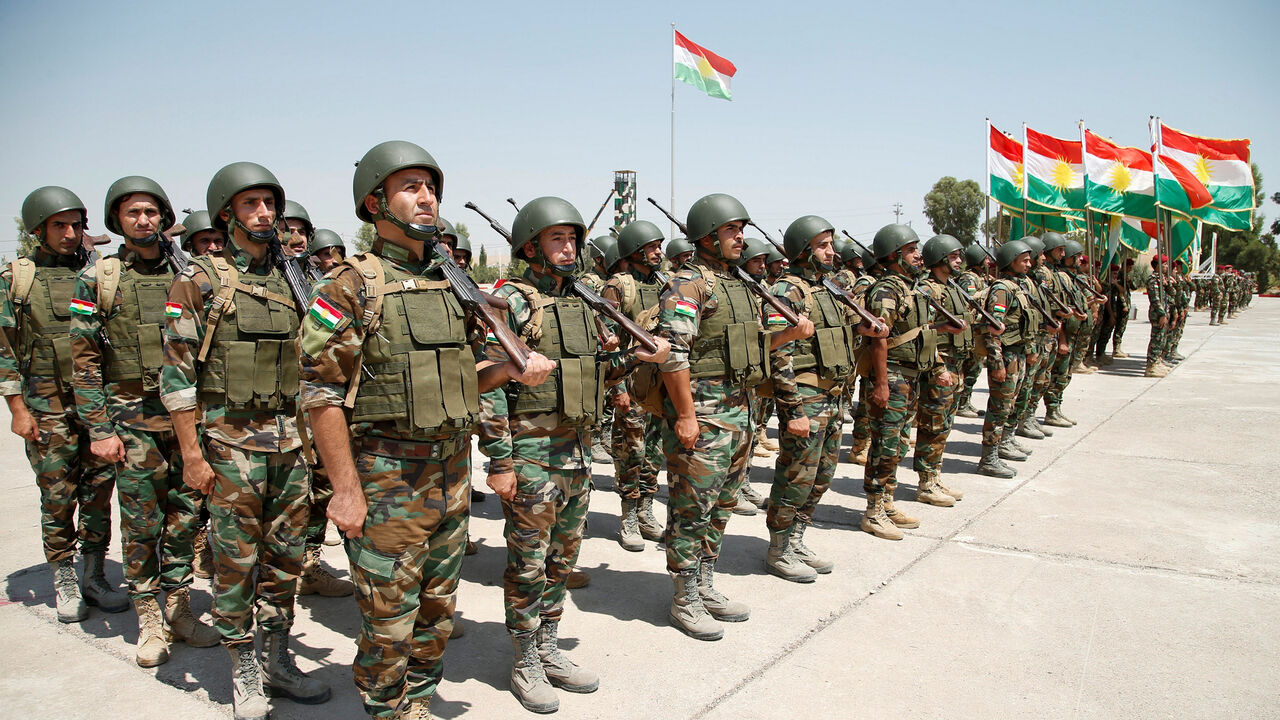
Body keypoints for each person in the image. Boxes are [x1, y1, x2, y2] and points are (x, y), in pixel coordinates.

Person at [302, 141, 553, 719]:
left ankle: (417, 702)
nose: (427, 197)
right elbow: (320, 395)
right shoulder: (348, 286)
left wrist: (511, 369)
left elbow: (469, 380)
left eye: (431, 187)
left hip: (450, 472)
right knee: (390, 619)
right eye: (411, 186)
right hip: (386, 477)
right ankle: (387, 709)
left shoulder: (450, 282)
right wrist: (344, 488)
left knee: (437, 609)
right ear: (374, 202)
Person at [479, 196, 669, 712]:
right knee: (528, 562)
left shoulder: (585, 301)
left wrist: (636, 356)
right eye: (556, 239)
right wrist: (499, 460)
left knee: (563, 559)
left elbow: (601, 370)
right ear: (530, 246)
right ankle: (523, 659)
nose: (568, 249)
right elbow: (488, 386)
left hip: (579, 453)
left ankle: (548, 646)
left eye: (572, 239)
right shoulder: (511, 302)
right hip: (532, 453)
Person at [162, 162, 329, 719]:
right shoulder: (198, 280)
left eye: (270, 204)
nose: (265, 213)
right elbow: (177, 377)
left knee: (285, 561)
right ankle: (243, 667)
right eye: (252, 204)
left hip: (292, 445)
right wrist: (191, 453)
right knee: (235, 562)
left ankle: (277, 657)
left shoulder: (295, 279)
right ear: (226, 213)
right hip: (230, 446)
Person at [71, 176, 220, 666]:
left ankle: (178, 608)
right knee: (141, 523)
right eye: (133, 213)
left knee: (186, 517)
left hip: (188, 421)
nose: (144, 221)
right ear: (117, 220)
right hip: (131, 421)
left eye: (152, 212)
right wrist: (99, 428)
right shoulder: (99, 278)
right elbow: (85, 360)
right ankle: (148, 618)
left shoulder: (192, 273)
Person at [653, 193, 811, 639]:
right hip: (703, 412)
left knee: (722, 506)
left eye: (741, 229)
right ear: (706, 236)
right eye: (730, 230)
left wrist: (788, 335)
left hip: (739, 411)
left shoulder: (740, 285)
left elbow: (753, 348)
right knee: (692, 507)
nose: (740, 237)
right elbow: (673, 356)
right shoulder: (688, 286)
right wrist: (685, 416)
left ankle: (704, 583)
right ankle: (684, 597)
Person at [0, 186, 127, 624]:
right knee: (57, 495)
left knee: (98, 493)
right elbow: (4, 351)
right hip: (46, 408)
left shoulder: (99, 275)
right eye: (60, 225)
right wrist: (18, 409)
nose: (71, 233)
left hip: (96, 407)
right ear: (39, 229)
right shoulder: (18, 280)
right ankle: (63, 574)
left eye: (76, 225)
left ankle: (93, 572)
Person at [765, 215, 880, 581]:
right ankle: (779, 547)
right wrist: (792, 409)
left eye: (831, 244)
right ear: (803, 250)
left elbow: (841, 329)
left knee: (823, 474)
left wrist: (861, 327)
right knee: (796, 475)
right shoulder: (788, 291)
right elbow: (777, 352)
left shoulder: (827, 288)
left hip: (833, 396)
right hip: (807, 397)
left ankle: (797, 537)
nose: (832, 252)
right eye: (823, 245)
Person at [860, 224, 951, 540]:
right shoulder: (886, 290)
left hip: (912, 377)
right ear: (895, 255)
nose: (918, 255)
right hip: (893, 376)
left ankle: (887, 501)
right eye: (911, 250)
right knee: (885, 444)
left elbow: (924, 332)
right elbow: (879, 340)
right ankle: (873, 511)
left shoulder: (913, 288)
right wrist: (882, 383)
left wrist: (936, 366)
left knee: (897, 443)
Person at [601, 220, 669, 549]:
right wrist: (617, 389)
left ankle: (646, 509)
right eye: (652, 246)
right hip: (629, 381)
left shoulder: (666, 283)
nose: (659, 251)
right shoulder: (618, 285)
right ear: (635, 250)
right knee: (632, 452)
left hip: (659, 383)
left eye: (660, 245)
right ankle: (628, 514)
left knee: (654, 452)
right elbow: (606, 341)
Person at [912, 234, 974, 507]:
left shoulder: (953, 287)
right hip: (940, 367)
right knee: (932, 425)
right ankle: (925, 483)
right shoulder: (928, 289)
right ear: (939, 258)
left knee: (945, 425)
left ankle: (935, 475)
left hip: (955, 365)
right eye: (953, 256)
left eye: (959, 256)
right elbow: (924, 331)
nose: (959, 260)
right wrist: (938, 366)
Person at [976, 240, 1034, 479]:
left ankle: (1004, 443)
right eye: (1025, 260)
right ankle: (989, 458)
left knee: (1009, 405)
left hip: (1017, 354)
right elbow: (992, 329)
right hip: (1006, 356)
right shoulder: (1002, 289)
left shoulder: (1017, 286)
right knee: (999, 408)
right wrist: (997, 363)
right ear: (1011, 261)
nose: (1029, 264)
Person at [954, 243, 993, 419]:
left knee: (975, 367)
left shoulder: (980, 277)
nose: (988, 261)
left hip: (978, 329)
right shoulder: (968, 278)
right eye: (985, 257)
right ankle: (961, 402)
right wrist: (987, 291)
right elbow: (969, 299)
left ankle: (965, 400)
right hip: (971, 328)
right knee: (969, 367)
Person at [1145, 255, 1171, 378]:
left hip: (1164, 312)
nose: (1166, 266)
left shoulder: (1162, 279)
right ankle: (1151, 366)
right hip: (1157, 313)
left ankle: (1157, 361)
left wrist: (1168, 284)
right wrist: (1162, 314)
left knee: (1161, 338)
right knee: (1156, 338)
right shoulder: (1152, 279)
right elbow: (1154, 299)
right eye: (1164, 264)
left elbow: (1172, 294)